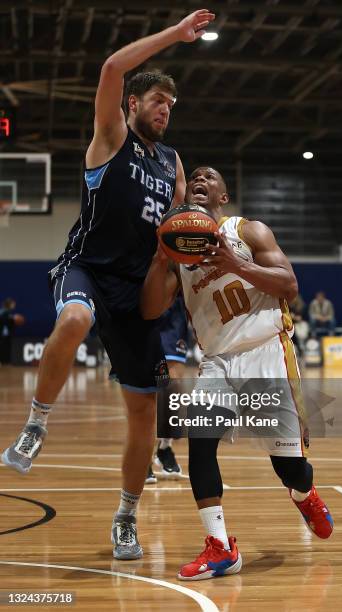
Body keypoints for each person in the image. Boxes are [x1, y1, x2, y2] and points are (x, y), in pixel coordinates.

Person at [1, 9, 216, 561]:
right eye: (157, 101)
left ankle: (125, 517)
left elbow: (173, 233)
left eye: (171, 104)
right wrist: (176, 34)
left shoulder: (172, 162)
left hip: (136, 284)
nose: (165, 109)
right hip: (88, 268)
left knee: (145, 412)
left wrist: (183, 264)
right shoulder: (111, 136)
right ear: (132, 106)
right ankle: (35, 424)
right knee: (74, 319)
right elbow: (112, 65)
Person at [141, 167, 334, 581]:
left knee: (291, 469)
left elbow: (289, 285)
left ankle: (304, 493)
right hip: (218, 361)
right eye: (194, 176)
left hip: (266, 353)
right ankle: (221, 547)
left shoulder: (248, 232)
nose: (199, 179)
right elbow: (150, 309)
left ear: (223, 196)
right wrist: (160, 259)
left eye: (209, 177)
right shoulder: (181, 254)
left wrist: (233, 262)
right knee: (200, 442)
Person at [146, 293, 187, 483]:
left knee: (171, 386)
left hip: (174, 304)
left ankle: (164, 447)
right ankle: (143, 455)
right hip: (143, 298)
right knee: (145, 391)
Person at [0, 297, 25, 364]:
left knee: (6, 349)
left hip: (6, 336)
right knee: (3, 348)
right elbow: (3, 318)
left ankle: (5, 361)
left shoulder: (8, 313)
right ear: (9, 304)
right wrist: (12, 318)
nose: (14, 305)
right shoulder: (4, 312)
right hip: (2, 336)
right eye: (13, 304)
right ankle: (4, 361)